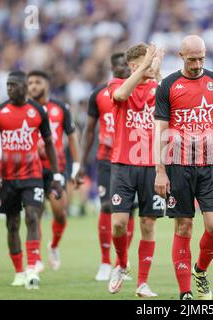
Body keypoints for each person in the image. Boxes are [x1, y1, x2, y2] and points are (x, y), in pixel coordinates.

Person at [154, 35, 213, 300]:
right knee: (184, 227)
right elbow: (161, 130)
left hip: (210, 166)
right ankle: (185, 292)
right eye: (192, 59)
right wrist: (160, 170)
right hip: (178, 166)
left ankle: (201, 271)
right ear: (181, 56)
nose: (197, 64)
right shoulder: (167, 86)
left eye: (201, 58)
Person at [0, 71, 63, 289]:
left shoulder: (38, 111)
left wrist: (56, 175)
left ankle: (32, 268)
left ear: (24, 87)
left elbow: (49, 143)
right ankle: (19, 271)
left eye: (13, 85)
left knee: (31, 216)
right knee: (12, 224)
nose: (9, 88)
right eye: (7, 85)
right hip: (7, 178)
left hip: (32, 176)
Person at [107, 43, 164, 297]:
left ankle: (142, 282)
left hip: (152, 165)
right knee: (119, 223)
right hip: (123, 163)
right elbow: (120, 96)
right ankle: (121, 263)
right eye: (146, 61)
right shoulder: (117, 85)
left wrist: (156, 69)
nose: (151, 65)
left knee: (148, 223)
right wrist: (144, 68)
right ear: (134, 65)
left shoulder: (158, 89)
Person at [76, 53, 136, 281]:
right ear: (112, 67)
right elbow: (89, 130)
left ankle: (121, 264)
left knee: (130, 212)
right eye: (120, 64)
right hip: (106, 160)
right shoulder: (98, 94)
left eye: (128, 64)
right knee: (107, 207)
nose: (124, 68)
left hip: (132, 160)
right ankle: (104, 262)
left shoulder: (139, 90)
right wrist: (81, 162)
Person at [27, 70, 80, 272]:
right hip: (32, 169)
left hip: (56, 167)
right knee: (35, 212)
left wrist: (76, 165)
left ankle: (54, 246)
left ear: (47, 85)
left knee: (60, 213)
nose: (32, 86)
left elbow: (72, 136)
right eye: (30, 82)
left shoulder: (60, 108)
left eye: (37, 82)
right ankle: (36, 257)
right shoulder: (24, 108)